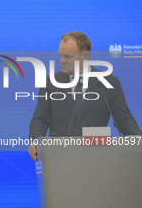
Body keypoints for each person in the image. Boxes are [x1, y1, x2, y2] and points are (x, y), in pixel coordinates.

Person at [29, 31, 141, 161]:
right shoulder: (50, 83)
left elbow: (123, 119)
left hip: (97, 158)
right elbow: (40, 119)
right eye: (60, 55)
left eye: (68, 56)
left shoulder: (108, 82)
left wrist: (138, 139)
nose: (61, 61)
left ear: (85, 56)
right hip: (59, 158)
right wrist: (35, 141)